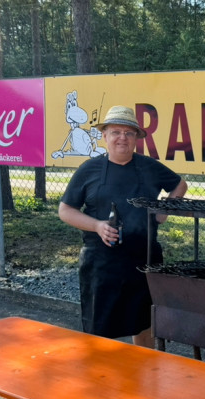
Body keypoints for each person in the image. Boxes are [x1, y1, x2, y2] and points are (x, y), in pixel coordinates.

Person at [59, 105, 188, 348]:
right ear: (105, 135)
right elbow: (65, 210)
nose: (122, 138)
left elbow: (180, 185)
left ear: (136, 139)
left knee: (144, 323)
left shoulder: (149, 166)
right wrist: (97, 226)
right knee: (98, 329)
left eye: (129, 133)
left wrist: (164, 210)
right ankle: (100, 376)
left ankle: (144, 375)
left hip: (143, 259)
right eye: (116, 132)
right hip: (101, 264)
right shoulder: (89, 170)